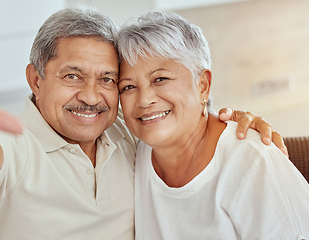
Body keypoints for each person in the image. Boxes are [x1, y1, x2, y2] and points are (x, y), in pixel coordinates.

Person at [0, 0, 287, 239]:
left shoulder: (126, 134)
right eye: (73, 76)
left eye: (109, 80)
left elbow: (171, 115)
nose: (92, 96)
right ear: (36, 80)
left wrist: (227, 121)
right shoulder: (11, 145)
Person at [117, 11, 309, 240]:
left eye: (160, 79)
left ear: (202, 86)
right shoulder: (132, 154)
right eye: (128, 87)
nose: (144, 99)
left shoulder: (253, 161)